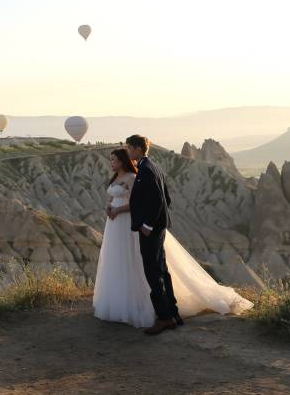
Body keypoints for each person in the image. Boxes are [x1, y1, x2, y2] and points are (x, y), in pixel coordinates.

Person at [93, 141, 252, 333]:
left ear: (137, 149)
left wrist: (146, 224)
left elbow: (157, 201)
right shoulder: (150, 167)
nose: (126, 152)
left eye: (128, 148)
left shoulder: (144, 171)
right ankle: (171, 313)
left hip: (141, 227)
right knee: (158, 269)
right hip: (123, 225)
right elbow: (163, 198)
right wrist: (112, 208)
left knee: (153, 271)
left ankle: (165, 316)